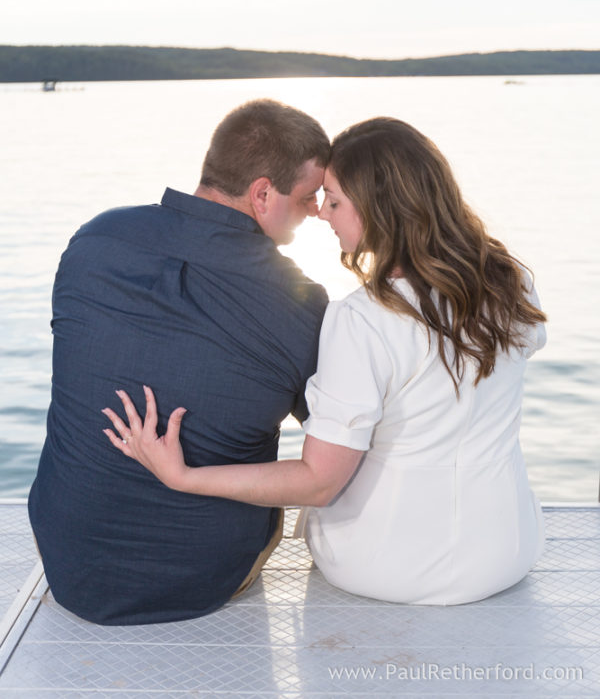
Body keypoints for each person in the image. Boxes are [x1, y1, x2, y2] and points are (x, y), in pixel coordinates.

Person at [104, 116, 548, 606]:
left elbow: (318, 481)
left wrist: (183, 476)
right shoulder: (510, 283)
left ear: (381, 210)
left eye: (334, 201)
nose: (322, 214)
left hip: (390, 565)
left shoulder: (363, 319)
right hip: (505, 548)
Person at [28, 99, 330, 625]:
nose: (315, 212)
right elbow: (332, 444)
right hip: (205, 573)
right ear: (262, 193)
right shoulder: (301, 302)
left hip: (70, 562)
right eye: (307, 198)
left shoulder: (96, 239)